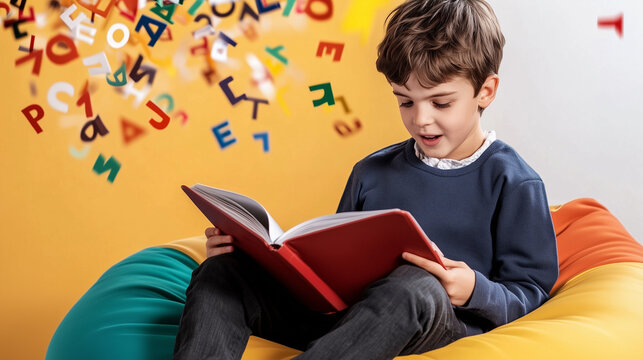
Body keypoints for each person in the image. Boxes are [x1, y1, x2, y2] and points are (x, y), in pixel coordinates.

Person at [173, 0, 559, 359]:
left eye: (440, 103)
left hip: (438, 323)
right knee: (221, 273)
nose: (420, 119)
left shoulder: (513, 182)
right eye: (405, 101)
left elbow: (532, 293)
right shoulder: (371, 172)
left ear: (485, 92)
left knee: (416, 282)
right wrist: (252, 254)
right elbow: (328, 268)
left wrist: (475, 289)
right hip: (345, 324)